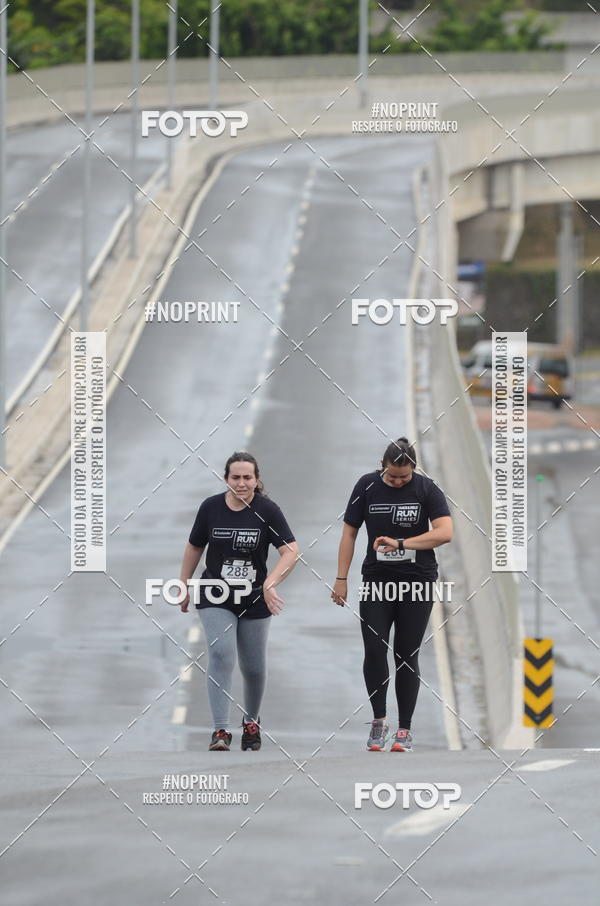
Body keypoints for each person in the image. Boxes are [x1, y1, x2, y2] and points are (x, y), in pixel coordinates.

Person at [331, 437, 453, 753]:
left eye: (404, 477)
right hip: (376, 581)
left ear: (414, 469)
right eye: (392, 476)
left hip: (417, 583)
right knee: (374, 650)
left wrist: (401, 543)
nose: (398, 481)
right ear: (382, 466)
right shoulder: (367, 486)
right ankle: (379, 721)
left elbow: (445, 532)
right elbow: (349, 533)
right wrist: (341, 579)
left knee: (406, 655)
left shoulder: (426, 489)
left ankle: (405, 730)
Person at [179, 452, 298, 752]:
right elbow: (194, 547)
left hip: (253, 596)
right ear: (226, 479)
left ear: (257, 480)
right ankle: (220, 730)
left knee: (253, 667)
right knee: (221, 654)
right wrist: (184, 583)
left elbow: (291, 550)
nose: (241, 483)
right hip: (215, 593)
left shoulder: (268, 510)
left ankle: (251, 721)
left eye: (247, 478)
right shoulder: (211, 508)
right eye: (236, 477)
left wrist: (270, 583)